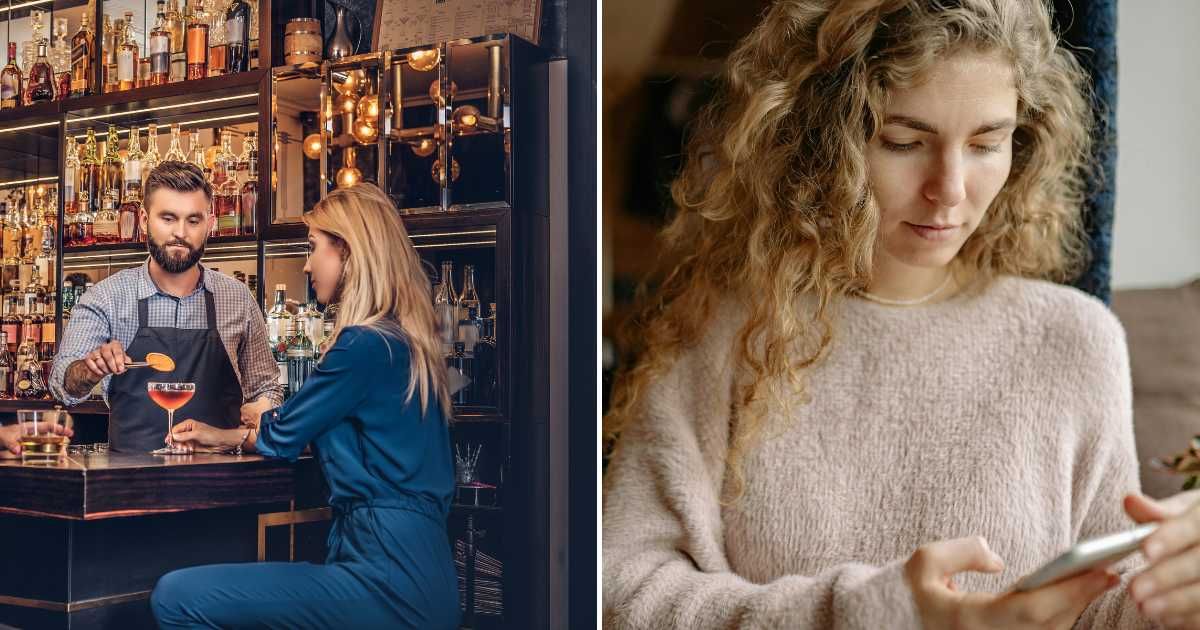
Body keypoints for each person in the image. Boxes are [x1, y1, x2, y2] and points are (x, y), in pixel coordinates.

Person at [603, 1, 1200, 628]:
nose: (949, 188)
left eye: (986, 144)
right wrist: (873, 613)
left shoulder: (1073, 339)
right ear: (821, 137)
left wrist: (1169, 598)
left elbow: (1102, 603)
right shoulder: (723, 332)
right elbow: (624, 591)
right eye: (904, 142)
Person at [149, 183, 460, 630]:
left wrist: (262, 424)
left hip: (383, 575)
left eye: (314, 248)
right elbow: (294, 426)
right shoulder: (406, 342)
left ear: (349, 254)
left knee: (177, 597)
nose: (307, 263)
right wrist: (235, 433)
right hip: (424, 574)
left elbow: (282, 433)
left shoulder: (361, 344)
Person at [49, 161, 280, 452]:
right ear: (144, 220)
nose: (180, 232)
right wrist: (89, 369)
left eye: (193, 220)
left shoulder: (237, 298)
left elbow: (268, 387)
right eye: (168, 218)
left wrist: (262, 407)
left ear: (210, 224)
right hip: (130, 480)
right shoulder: (108, 297)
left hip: (222, 481)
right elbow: (62, 384)